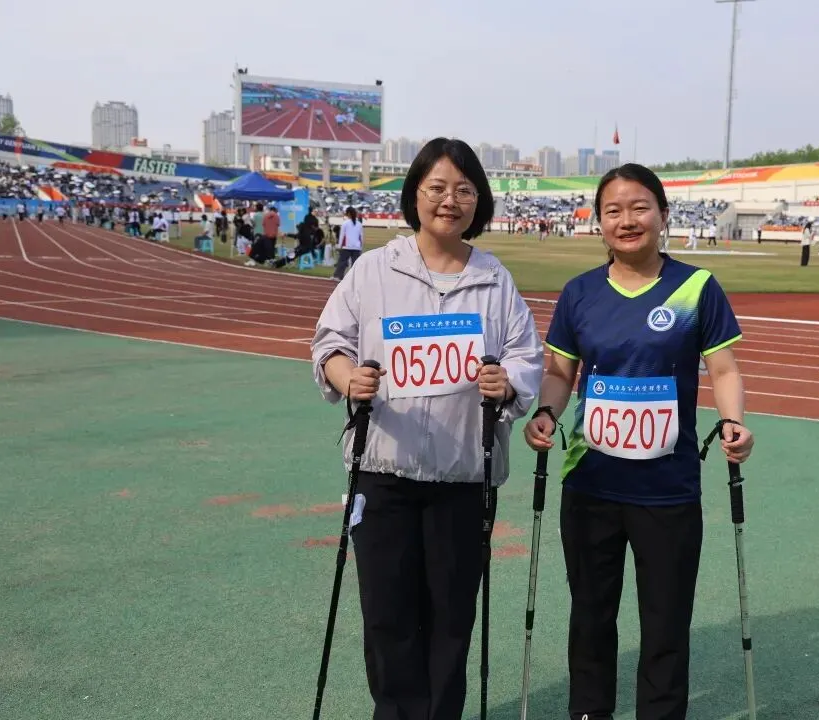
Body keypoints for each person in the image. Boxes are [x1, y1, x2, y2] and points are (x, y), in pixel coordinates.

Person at [310, 137, 544, 720]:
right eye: (437, 187)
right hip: (382, 474)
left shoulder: (495, 280)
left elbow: (525, 357)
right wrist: (347, 378)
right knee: (387, 617)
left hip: (464, 479)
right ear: (414, 195)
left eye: (464, 190)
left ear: (479, 200)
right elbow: (330, 343)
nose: (450, 200)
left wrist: (507, 383)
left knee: (451, 617)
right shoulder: (373, 270)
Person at [523, 163, 755, 720]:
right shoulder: (579, 293)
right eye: (613, 211)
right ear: (599, 222)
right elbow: (560, 372)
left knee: (666, 621)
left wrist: (734, 422)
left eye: (639, 207)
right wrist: (546, 413)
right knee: (591, 615)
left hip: (668, 488)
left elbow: (724, 369)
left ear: (663, 214)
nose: (627, 220)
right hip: (591, 483)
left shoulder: (696, 287)